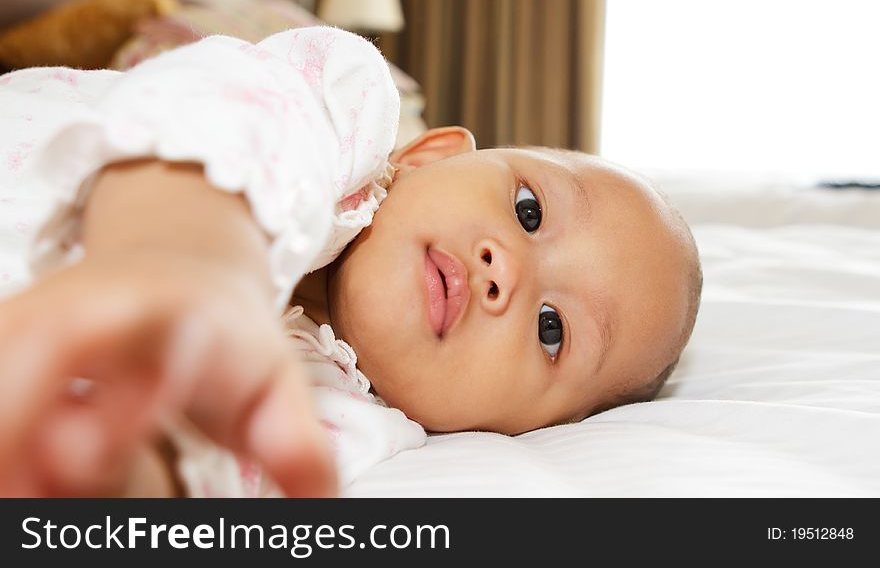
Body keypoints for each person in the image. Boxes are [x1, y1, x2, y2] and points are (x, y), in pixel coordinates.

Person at [0, 27, 701, 497]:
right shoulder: (345, 112)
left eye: (552, 328)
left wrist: (129, 468)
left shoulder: (344, 433)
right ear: (433, 157)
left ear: (517, 426)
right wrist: (194, 253)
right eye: (529, 211)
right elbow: (234, 108)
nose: (505, 271)